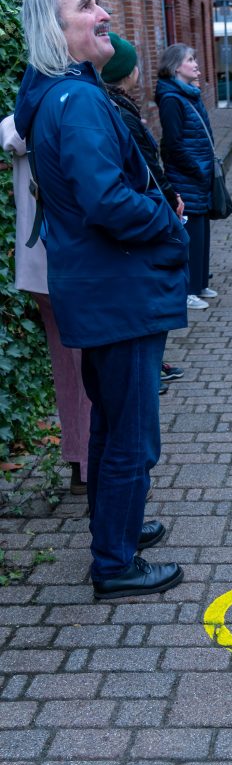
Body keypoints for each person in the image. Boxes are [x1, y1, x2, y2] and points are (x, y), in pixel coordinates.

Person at [17, 0, 187, 599]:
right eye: (87, 6)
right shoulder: (80, 101)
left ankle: (118, 527)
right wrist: (167, 224)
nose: (103, 14)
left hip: (99, 286)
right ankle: (114, 563)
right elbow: (107, 201)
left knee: (115, 420)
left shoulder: (58, 93)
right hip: (117, 291)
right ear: (57, 33)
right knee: (129, 430)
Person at [1, 113, 91, 495]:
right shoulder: (68, 115)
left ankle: (76, 459)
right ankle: (91, 465)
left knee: (66, 364)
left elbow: (10, 140)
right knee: (92, 367)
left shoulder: (18, 122)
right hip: (73, 263)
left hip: (40, 266)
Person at [101, 32, 185, 391]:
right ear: (127, 71)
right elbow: (147, 167)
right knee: (153, 291)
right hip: (148, 215)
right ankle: (147, 369)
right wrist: (169, 200)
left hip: (148, 210)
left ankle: (151, 365)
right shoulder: (121, 112)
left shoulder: (121, 106)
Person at [156, 43, 215, 312]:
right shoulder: (171, 99)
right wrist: (197, 168)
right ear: (176, 66)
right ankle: (187, 291)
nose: (195, 64)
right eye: (190, 59)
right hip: (187, 176)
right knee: (189, 232)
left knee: (201, 230)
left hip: (199, 174)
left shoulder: (190, 94)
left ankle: (200, 282)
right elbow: (173, 144)